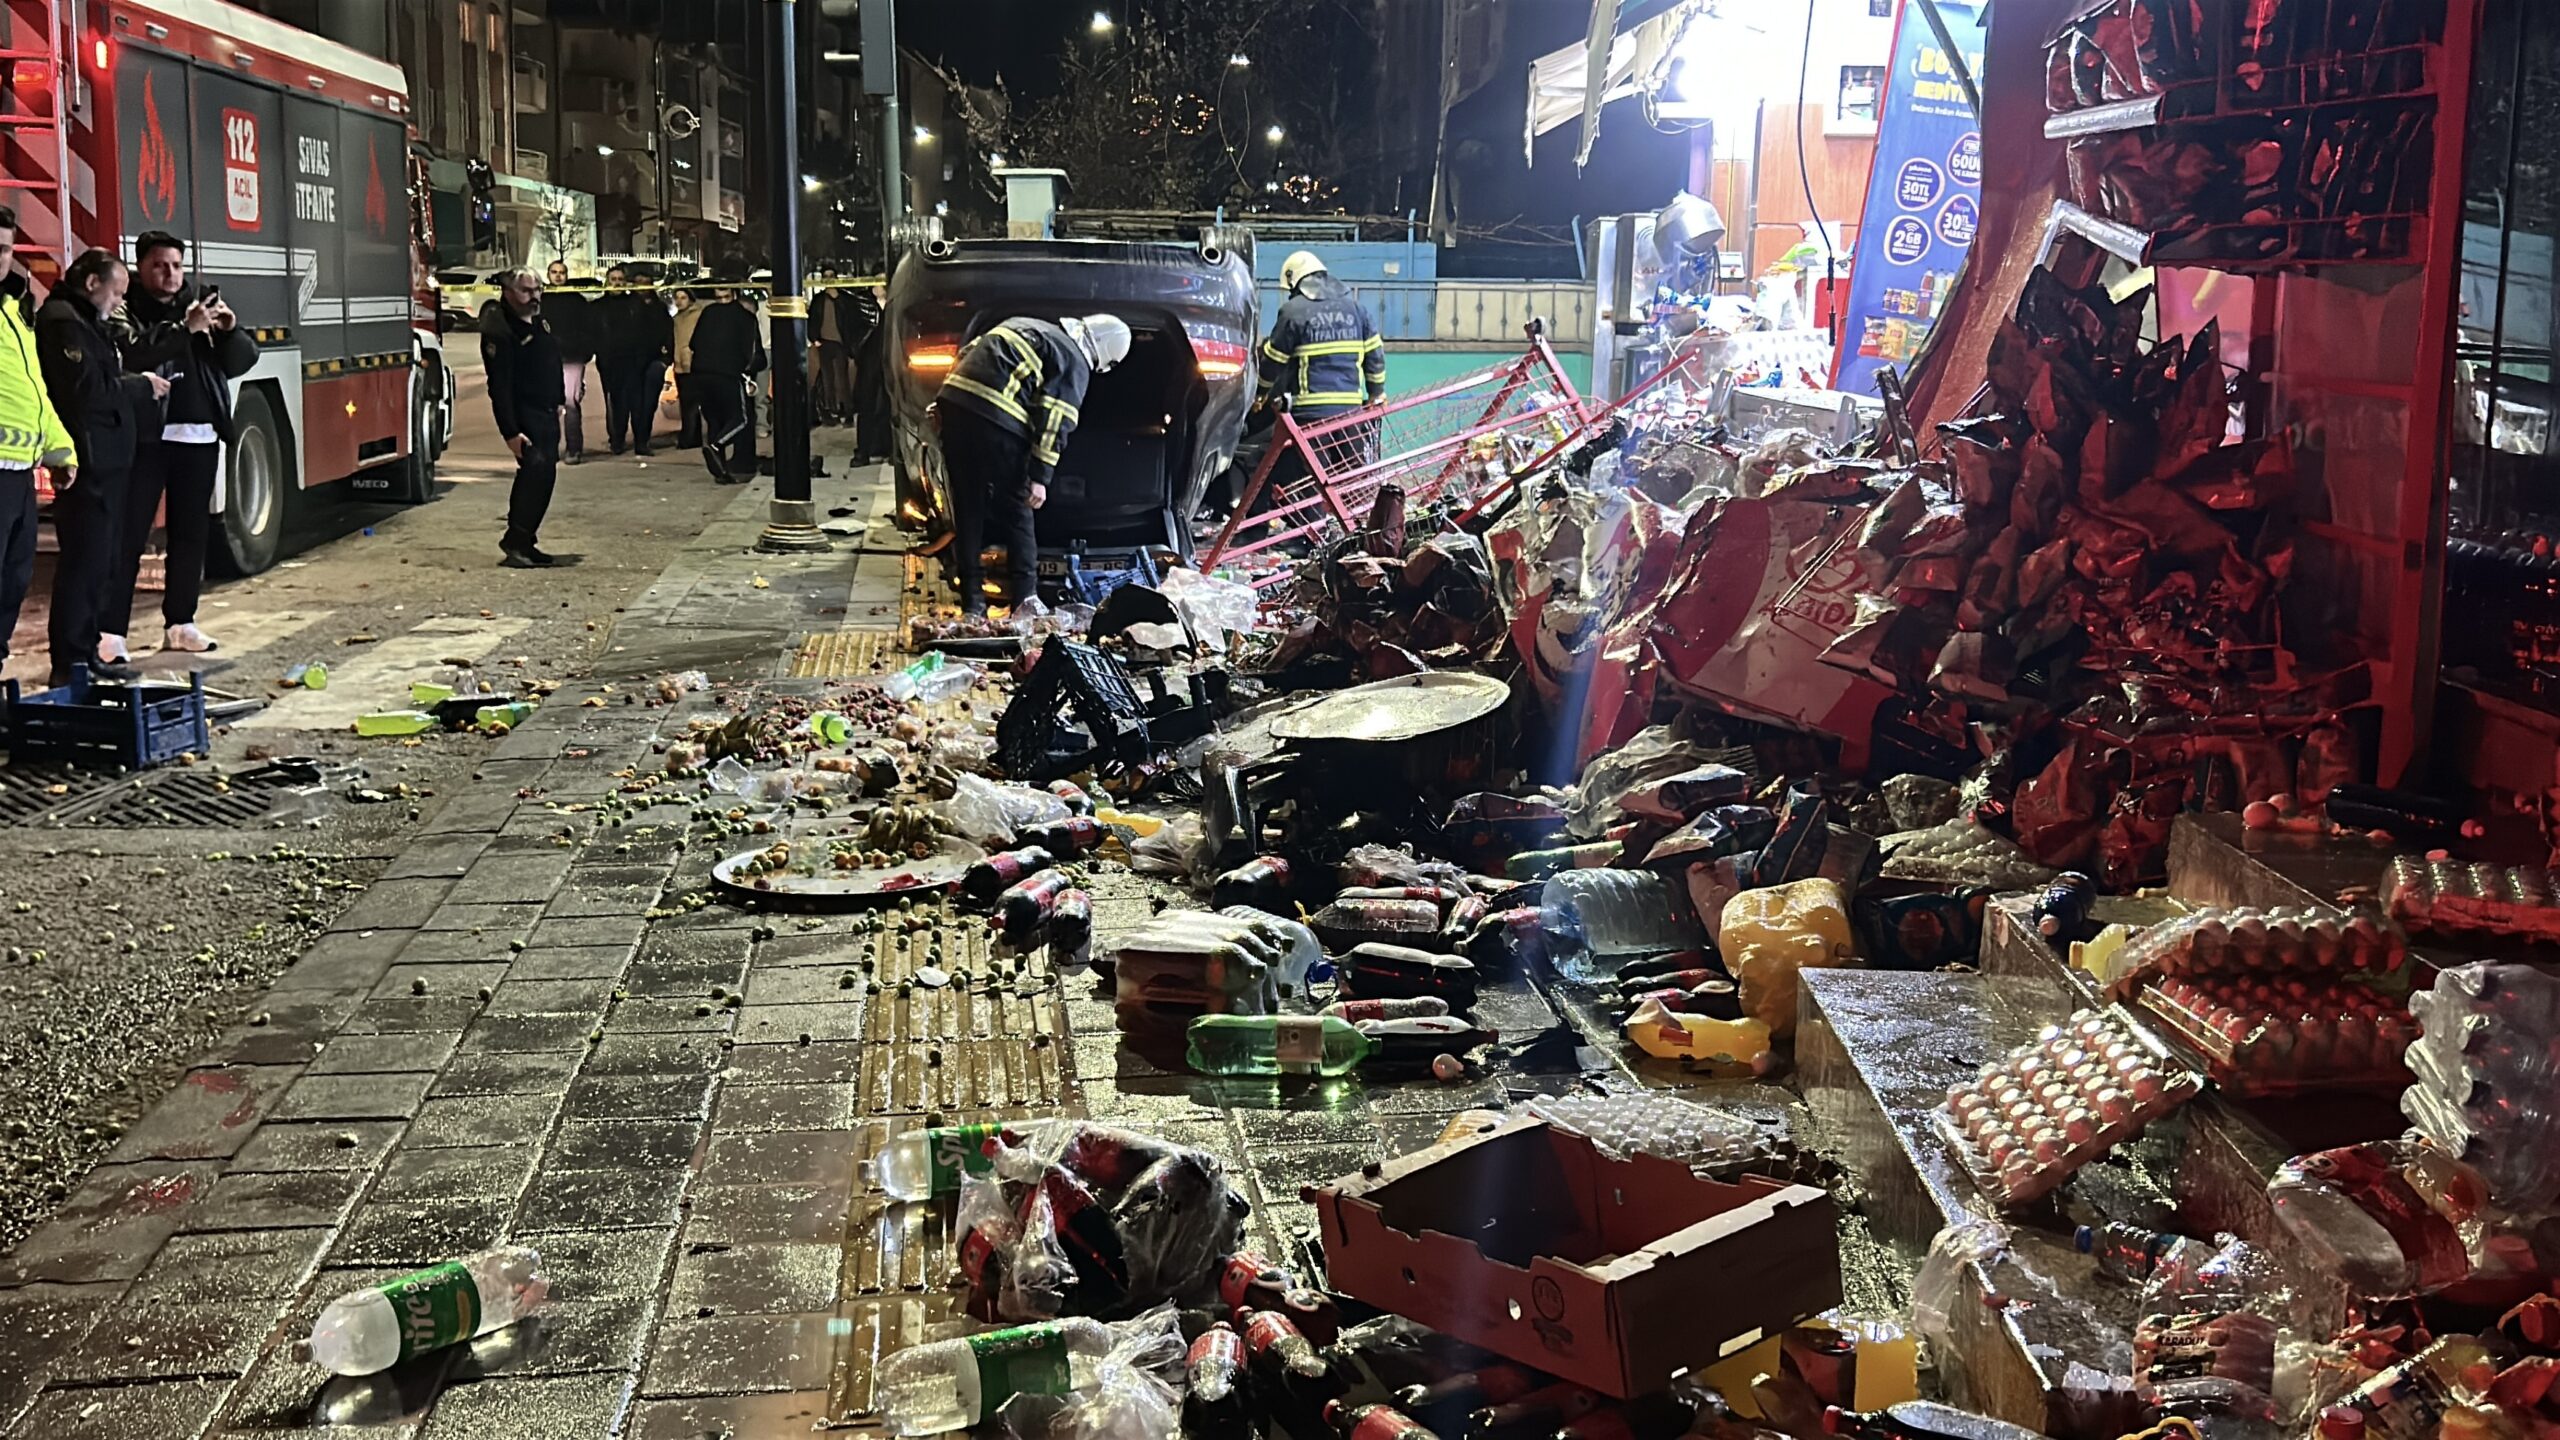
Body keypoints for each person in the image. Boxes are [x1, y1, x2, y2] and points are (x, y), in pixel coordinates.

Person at [113, 230, 258, 659]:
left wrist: (230, 331)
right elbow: (135, 355)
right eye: (160, 265)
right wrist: (185, 328)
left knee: (191, 535)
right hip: (147, 438)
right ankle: (111, 631)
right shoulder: (127, 310)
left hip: (199, 437)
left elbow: (240, 363)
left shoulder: (199, 304)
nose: (170, 274)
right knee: (129, 535)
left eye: (176, 265)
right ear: (142, 267)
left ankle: (181, 622)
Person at [936, 313, 1129, 615]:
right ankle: (1025, 602)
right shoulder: (1074, 359)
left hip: (955, 403)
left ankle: (973, 604)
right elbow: (1056, 420)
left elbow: (969, 351)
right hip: (997, 417)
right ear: (1105, 357)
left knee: (968, 506)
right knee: (1018, 511)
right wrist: (1039, 478)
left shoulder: (1026, 325)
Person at [36, 249, 168, 684]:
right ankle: (70, 663)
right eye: (117, 292)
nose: (119, 303)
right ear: (93, 283)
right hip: (89, 462)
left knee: (103, 561)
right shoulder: (62, 322)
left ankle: (86, 652)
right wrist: (139, 386)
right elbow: (87, 390)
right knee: (84, 561)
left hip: (109, 460)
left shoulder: (87, 321)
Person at [0, 205, 78, 683]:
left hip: (17, 474)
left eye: (4, 249)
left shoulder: (13, 312)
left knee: (12, 581)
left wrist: (59, 449)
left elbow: (33, 391)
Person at [479, 268, 569, 567]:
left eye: (538, 289)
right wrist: (510, 431)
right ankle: (516, 539)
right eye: (527, 291)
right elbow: (499, 386)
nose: (535, 296)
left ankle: (525, 540)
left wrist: (558, 400)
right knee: (534, 476)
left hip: (546, 410)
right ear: (508, 292)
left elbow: (551, 359)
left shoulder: (539, 320)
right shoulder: (501, 330)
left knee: (544, 478)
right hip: (525, 413)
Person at [689, 287, 765, 484]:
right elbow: (753, 352)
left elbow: (693, 344)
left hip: (701, 374)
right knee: (742, 419)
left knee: (715, 420)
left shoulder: (708, 314)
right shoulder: (745, 318)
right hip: (729, 375)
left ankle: (721, 470)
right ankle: (716, 446)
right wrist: (748, 370)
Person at [596, 269, 672, 456]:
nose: (617, 283)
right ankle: (617, 440)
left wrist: (659, 357)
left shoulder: (636, 304)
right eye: (613, 279)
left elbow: (650, 332)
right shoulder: (598, 306)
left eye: (621, 279)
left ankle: (641, 441)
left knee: (638, 405)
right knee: (617, 404)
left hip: (636, 362)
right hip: (611, 362)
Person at [543, 274, 599, 462]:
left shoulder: (577, 300)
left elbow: (590, 328)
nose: (558, 276)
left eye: (561, 272)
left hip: (572, 357)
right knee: (548, 406)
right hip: (548, 359)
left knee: (570, 402)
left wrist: (584, 352)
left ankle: (573, 448)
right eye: (554, 272)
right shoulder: (542, 300)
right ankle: (550, 448)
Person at [851, 283, 891, 465]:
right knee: (867, 405)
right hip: (869, 360)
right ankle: (864, 451)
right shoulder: (861, 301)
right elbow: (852, 329)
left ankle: (887, 448)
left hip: (889, 358)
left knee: (889, 405)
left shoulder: (893, 300)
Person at [668, 289, 703, 450]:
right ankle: (691, 436)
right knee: (687, 402)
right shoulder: (676, 319)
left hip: (694, 364)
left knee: (691, 403)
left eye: (683, 298)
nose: (680, 301)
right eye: (677, 298)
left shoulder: (697, 315)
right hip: (680, 365)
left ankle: (689, 438)